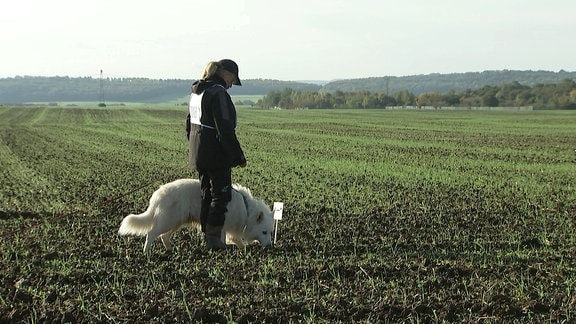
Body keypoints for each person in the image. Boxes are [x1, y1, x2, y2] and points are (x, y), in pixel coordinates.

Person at [186, 59, 246, 250]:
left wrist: (197, 149)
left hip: (199, 153)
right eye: (232, 80)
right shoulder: (218, 93)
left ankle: (209, 239)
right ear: (226, 74)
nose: (231, 85)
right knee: (221, 196)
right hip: (215, 155)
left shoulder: (197, 91)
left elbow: (189, 125)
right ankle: (214, 241)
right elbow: (225, 128)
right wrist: (237, 156)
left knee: (207, 195)